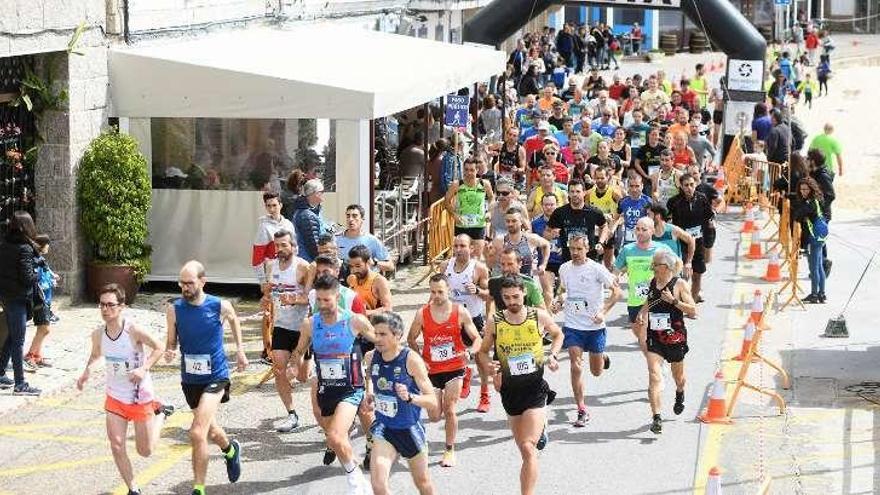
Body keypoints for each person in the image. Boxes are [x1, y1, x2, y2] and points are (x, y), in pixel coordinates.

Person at [77, 283, 174, 495]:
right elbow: (95, 356)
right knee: (117, 444)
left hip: (139, 397)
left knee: (145, 451)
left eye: (110, 305)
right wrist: (86, 372)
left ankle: (161, 414)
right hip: (115, 397)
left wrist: (144, 368)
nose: (105, 309)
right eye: (101, 305)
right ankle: (133, 489)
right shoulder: (98, 334)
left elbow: (158, 347)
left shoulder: (133, 330)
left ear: (122, 307)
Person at [164, 260, 248, 495]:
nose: (185, 288)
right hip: (190, 379)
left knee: (197, 432)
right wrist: (170, 350)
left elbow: (233, 319)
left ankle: (198, 488)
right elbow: (171, 341)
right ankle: (230, 449)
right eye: (182, 283)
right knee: (210, 430)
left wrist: (240, 350)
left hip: (216, 376)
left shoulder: (219, 305)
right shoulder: (174, 309)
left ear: (202, 281)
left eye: (189, 283)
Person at [478, 276, 563, 495]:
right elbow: (483, 351)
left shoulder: (537, 316)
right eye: (506, 298)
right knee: (523, 448)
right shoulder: (495, 321)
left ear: (524, 293)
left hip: (534, 388)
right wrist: (489, 365)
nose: (512, 301)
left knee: (528, 448)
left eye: (516, 296)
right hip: (509, 391)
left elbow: (557, 334)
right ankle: (541, 427)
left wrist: (552, 355)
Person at [292, 274, 377, 494]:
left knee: (335, 436)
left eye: (327, 300)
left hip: (351, 389)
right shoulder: (310, 324)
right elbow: (300, 350)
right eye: (318, 300)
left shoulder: (354, 320)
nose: (322, 305)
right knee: (338, 440)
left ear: (337, 296)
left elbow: (382, 341)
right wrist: (296, 364)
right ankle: (357, 475)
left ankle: (356, 483)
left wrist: (377, 371)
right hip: (326, 389)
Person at [407, 274, 481, 467]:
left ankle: (449, 450)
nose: (437, 295)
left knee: (449, 409)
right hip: (431, 370)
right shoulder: (422, 314)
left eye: (440, 291)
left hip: (455, 366)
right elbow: (411, 339)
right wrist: (420, 361)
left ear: (448, 290)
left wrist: (470, 353)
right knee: (434, 415)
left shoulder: (460, 312)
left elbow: (477, 339)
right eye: (433, 292)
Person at [364, 312, 438, 495]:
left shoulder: (410, 360)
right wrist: (370, 394)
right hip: (384, 428)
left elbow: (432, 401)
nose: (377, 339)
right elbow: (370, 379)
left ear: (397, 336)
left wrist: (410, 398)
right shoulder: (371, 357)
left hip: (409, 430)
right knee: (378, 485)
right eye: (375, 333)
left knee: (423, 484)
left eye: (383, 334)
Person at [552, 235, 621, 427]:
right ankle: (581, 408)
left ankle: (602, 357)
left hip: (594, 326)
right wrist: (559, 302)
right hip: (573, 325)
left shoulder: (597, 269)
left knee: (596, 371)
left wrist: (603, 312)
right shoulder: (564, 268)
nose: (575, 253)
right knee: (575, 365)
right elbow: (563, 290)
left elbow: (617, 292)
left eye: (579, 249)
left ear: (587, 248)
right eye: (572, 249)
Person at [635, 249, 697, 434]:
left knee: (679, 378)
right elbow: (650, 300)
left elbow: (693, 311)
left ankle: (680, 392)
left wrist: (674, 301)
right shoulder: (652, 282)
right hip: (655, 337)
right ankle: (656, 418)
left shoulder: (680, 285)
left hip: (675, 338)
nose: (652, 267)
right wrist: (642, 312)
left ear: (667, 267)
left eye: (656, 265)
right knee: (654, 375)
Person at [263, 230, 312, 433]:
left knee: (301, 377)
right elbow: (270, 292)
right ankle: (292, 414)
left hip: (302, 327)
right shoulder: (271, 266)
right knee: (279, 370)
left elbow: (312, 298)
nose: (280, 249)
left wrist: (295, 299)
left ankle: (309, 365)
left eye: (284, 245)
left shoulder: (302, 267)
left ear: (293, 246)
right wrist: (266, 298)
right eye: (277, 245)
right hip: (282, 326)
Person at [613, 217, 673, 352]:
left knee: (657, 337)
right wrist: (614, 279)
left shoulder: (662, 249)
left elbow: (675, 267)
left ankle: (656, 366)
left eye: (644, 229)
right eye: (637, 229)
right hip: (635, 301)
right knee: (641, 338)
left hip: (658, 300)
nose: (639, 232)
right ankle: (656, 364)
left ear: (652, 231)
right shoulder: (627, 249)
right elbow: (616, 270)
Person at [0, 211, 41, 395]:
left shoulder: (5, 244)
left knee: (11, 337)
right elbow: (27, 277)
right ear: (26, 227)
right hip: (18, 298)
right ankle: (20, 384)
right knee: (18, 341)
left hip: (7, 297)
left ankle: (1, 372)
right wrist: (37, 274)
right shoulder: (24, 248)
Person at [667, 173, 714, 302]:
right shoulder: (674, 202)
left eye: (692, 185)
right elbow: (666, 219)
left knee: (698, 274)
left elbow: (709, 216)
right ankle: (680, 301)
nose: (689, 188)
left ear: (695, 185)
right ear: (681, 186)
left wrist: (709, 234)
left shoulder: (702, 198)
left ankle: (692, 302)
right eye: (686, 185)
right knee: (682, 275)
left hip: (698, 242)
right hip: (680, 243)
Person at [548, 179, 609, 264]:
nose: (575, 194)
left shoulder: (594, 212)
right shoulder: (559, 212)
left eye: (578, 191)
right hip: (567, 259)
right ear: (568, 193)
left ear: (584, 193)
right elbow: (547, 232)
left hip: (589, 258)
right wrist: (552, 235)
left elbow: (604, 226)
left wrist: (600, 242)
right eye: (572, 192)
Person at [446, 157, 495, 257]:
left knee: (476, 258)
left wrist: (489, 212)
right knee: (460, 257)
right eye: (466, 170)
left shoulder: (484, 184)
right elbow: (446, 201)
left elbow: (492, 198)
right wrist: (454, 214)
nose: (469, 173)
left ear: (477, 170)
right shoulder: (457, 184)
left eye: (472, 170)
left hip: (478, 225)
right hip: (462, 225)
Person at [24, 235, 59, 370]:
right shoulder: (35, 261)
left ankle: (37, 355)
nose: (48, 247)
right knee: (44, 329)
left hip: (45, 298)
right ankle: (30, 356)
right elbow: (37, 281)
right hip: (39, 298)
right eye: (47, 244)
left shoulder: (40, 260)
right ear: (42, 245)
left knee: (42, 329)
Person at [491, 207, 551, 281]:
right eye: (507, 221)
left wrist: (543, 265)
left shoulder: (531, 239)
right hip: (505, 282)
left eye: (514, 221)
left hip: (527, 281)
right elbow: (492, 263)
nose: (510, 224)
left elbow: (546, 245)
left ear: (521, 222)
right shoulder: (499, 241)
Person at [793, 178, 828, 303]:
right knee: (819, 266)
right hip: (820, 236)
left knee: (814, 268)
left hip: (813, 237)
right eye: (801, 189)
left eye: (806, 189)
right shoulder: (816, 200)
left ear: (811, 189)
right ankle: (822, 294)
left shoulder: (809, 204)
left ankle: (814, 295)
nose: (803, 192)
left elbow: (797, 216)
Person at [252, 192, 296, 284]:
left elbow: (295, 248)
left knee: (289, 296)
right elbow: (257, 256)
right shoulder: (264, 227)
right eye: (268, 206)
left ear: (281, 205)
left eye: (274, 205)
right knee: (276, 297)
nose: (272, 209)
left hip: (290, 271)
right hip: (273, 271)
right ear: (265, 207)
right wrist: (262, 281)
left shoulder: (289, 224)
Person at [336, 204, 394, 273]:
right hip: (343, 281)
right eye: (348, 216)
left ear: (362, 219)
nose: (350, 219)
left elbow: (390, 266)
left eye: (354, 216)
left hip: (365, 282)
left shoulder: (371, 240)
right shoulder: (336, 240)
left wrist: (375, 263)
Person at [532, 193, 565, 308]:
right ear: (541, 205)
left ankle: (560, 299)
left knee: (563, 295)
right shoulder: (535, 224)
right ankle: (549, 322)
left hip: (563, 262)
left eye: (552, 204)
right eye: (546, 205)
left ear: (557, 205)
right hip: (546, 263)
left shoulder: (565, 221)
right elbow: (531, 243)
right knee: (548, 293)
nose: (549, 207)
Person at [648, 203, 695, 277]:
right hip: (657, 274)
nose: (647, 218)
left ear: (658, 216)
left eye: (649, 215)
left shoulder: (673, 230)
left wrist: (688, 262)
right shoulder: (649, 232)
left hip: (674, 273)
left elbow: (691, 240)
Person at [347, 245, 394, 317]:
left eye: (358, 266)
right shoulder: (351, 279)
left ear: (368, 262)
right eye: (351, 266)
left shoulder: (379, 281)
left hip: (376, 324)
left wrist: (364, 313)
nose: (354, 270)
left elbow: (388, 308)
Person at [293, 179, 328, 262]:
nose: (323, 194)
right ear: (313, 194)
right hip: (308, 262)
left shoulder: (310, 211)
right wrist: (322, 262)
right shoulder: (307, 216)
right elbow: (314, 246)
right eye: (321, 191)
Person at [616, 175, 652, 246]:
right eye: (631, 186)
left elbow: (652, 221)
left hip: (644, 239)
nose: (634, 189)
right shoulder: (623, 201)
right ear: (628, 187)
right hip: (627, 240)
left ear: (642, 186)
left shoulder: (648, 201)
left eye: (637, 186)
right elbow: (615, 218)